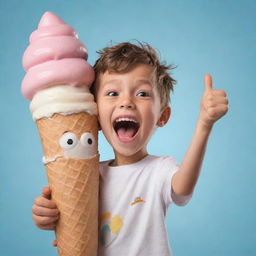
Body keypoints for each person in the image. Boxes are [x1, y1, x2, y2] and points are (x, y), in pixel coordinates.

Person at [32, 41, 229, 255]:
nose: (126, 102)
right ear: (95, 115)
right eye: (112, 93)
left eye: (142, 94)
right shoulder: (89, 175)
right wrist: (48, 215)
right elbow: (71, 222)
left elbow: (183, 189)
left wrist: (204, 125)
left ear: (162, 116)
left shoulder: (160, 169)